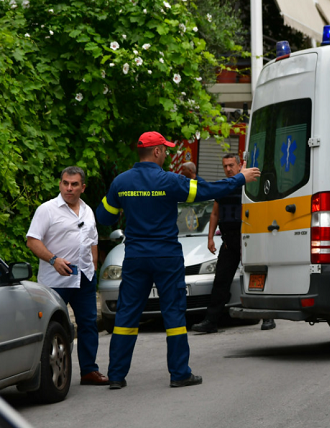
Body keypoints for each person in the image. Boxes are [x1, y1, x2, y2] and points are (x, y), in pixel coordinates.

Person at [96, 131, 260, 390]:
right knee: (173, 314)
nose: (167, 154)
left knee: (127, 315)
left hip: (136, 257)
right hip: (167, 257)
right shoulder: (169, 181)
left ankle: (116, 376)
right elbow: (208, 190)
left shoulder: (121, 182)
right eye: (166, 150)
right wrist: (240, 178)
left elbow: (104, 217)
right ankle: (179, 373)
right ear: (158, 152)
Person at [27, 166, 109, 386]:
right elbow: (32, 241)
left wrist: (92, 268)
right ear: (60, 184)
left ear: (83, 187)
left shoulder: (88, 210)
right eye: (65, 183)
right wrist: (54, 260)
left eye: (74, 184)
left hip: (84, 278)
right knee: (53, 327)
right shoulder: (47, 210)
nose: (69, 188)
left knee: (89, 324)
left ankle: (89, 371)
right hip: (55, 281)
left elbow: (93, 241)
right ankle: (46, 374)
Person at [192, 154, 275, 333]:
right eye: (225, 166)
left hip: (249, 240)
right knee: (221, 281)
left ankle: (268, 317)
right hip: (229, 241)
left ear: (239, 166)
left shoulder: (250, 184)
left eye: (231, 165)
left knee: (257, 279)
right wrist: (210, 238)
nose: (228, 169)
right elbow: (215, 214)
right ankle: (211, 321)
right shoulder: (223, 186)